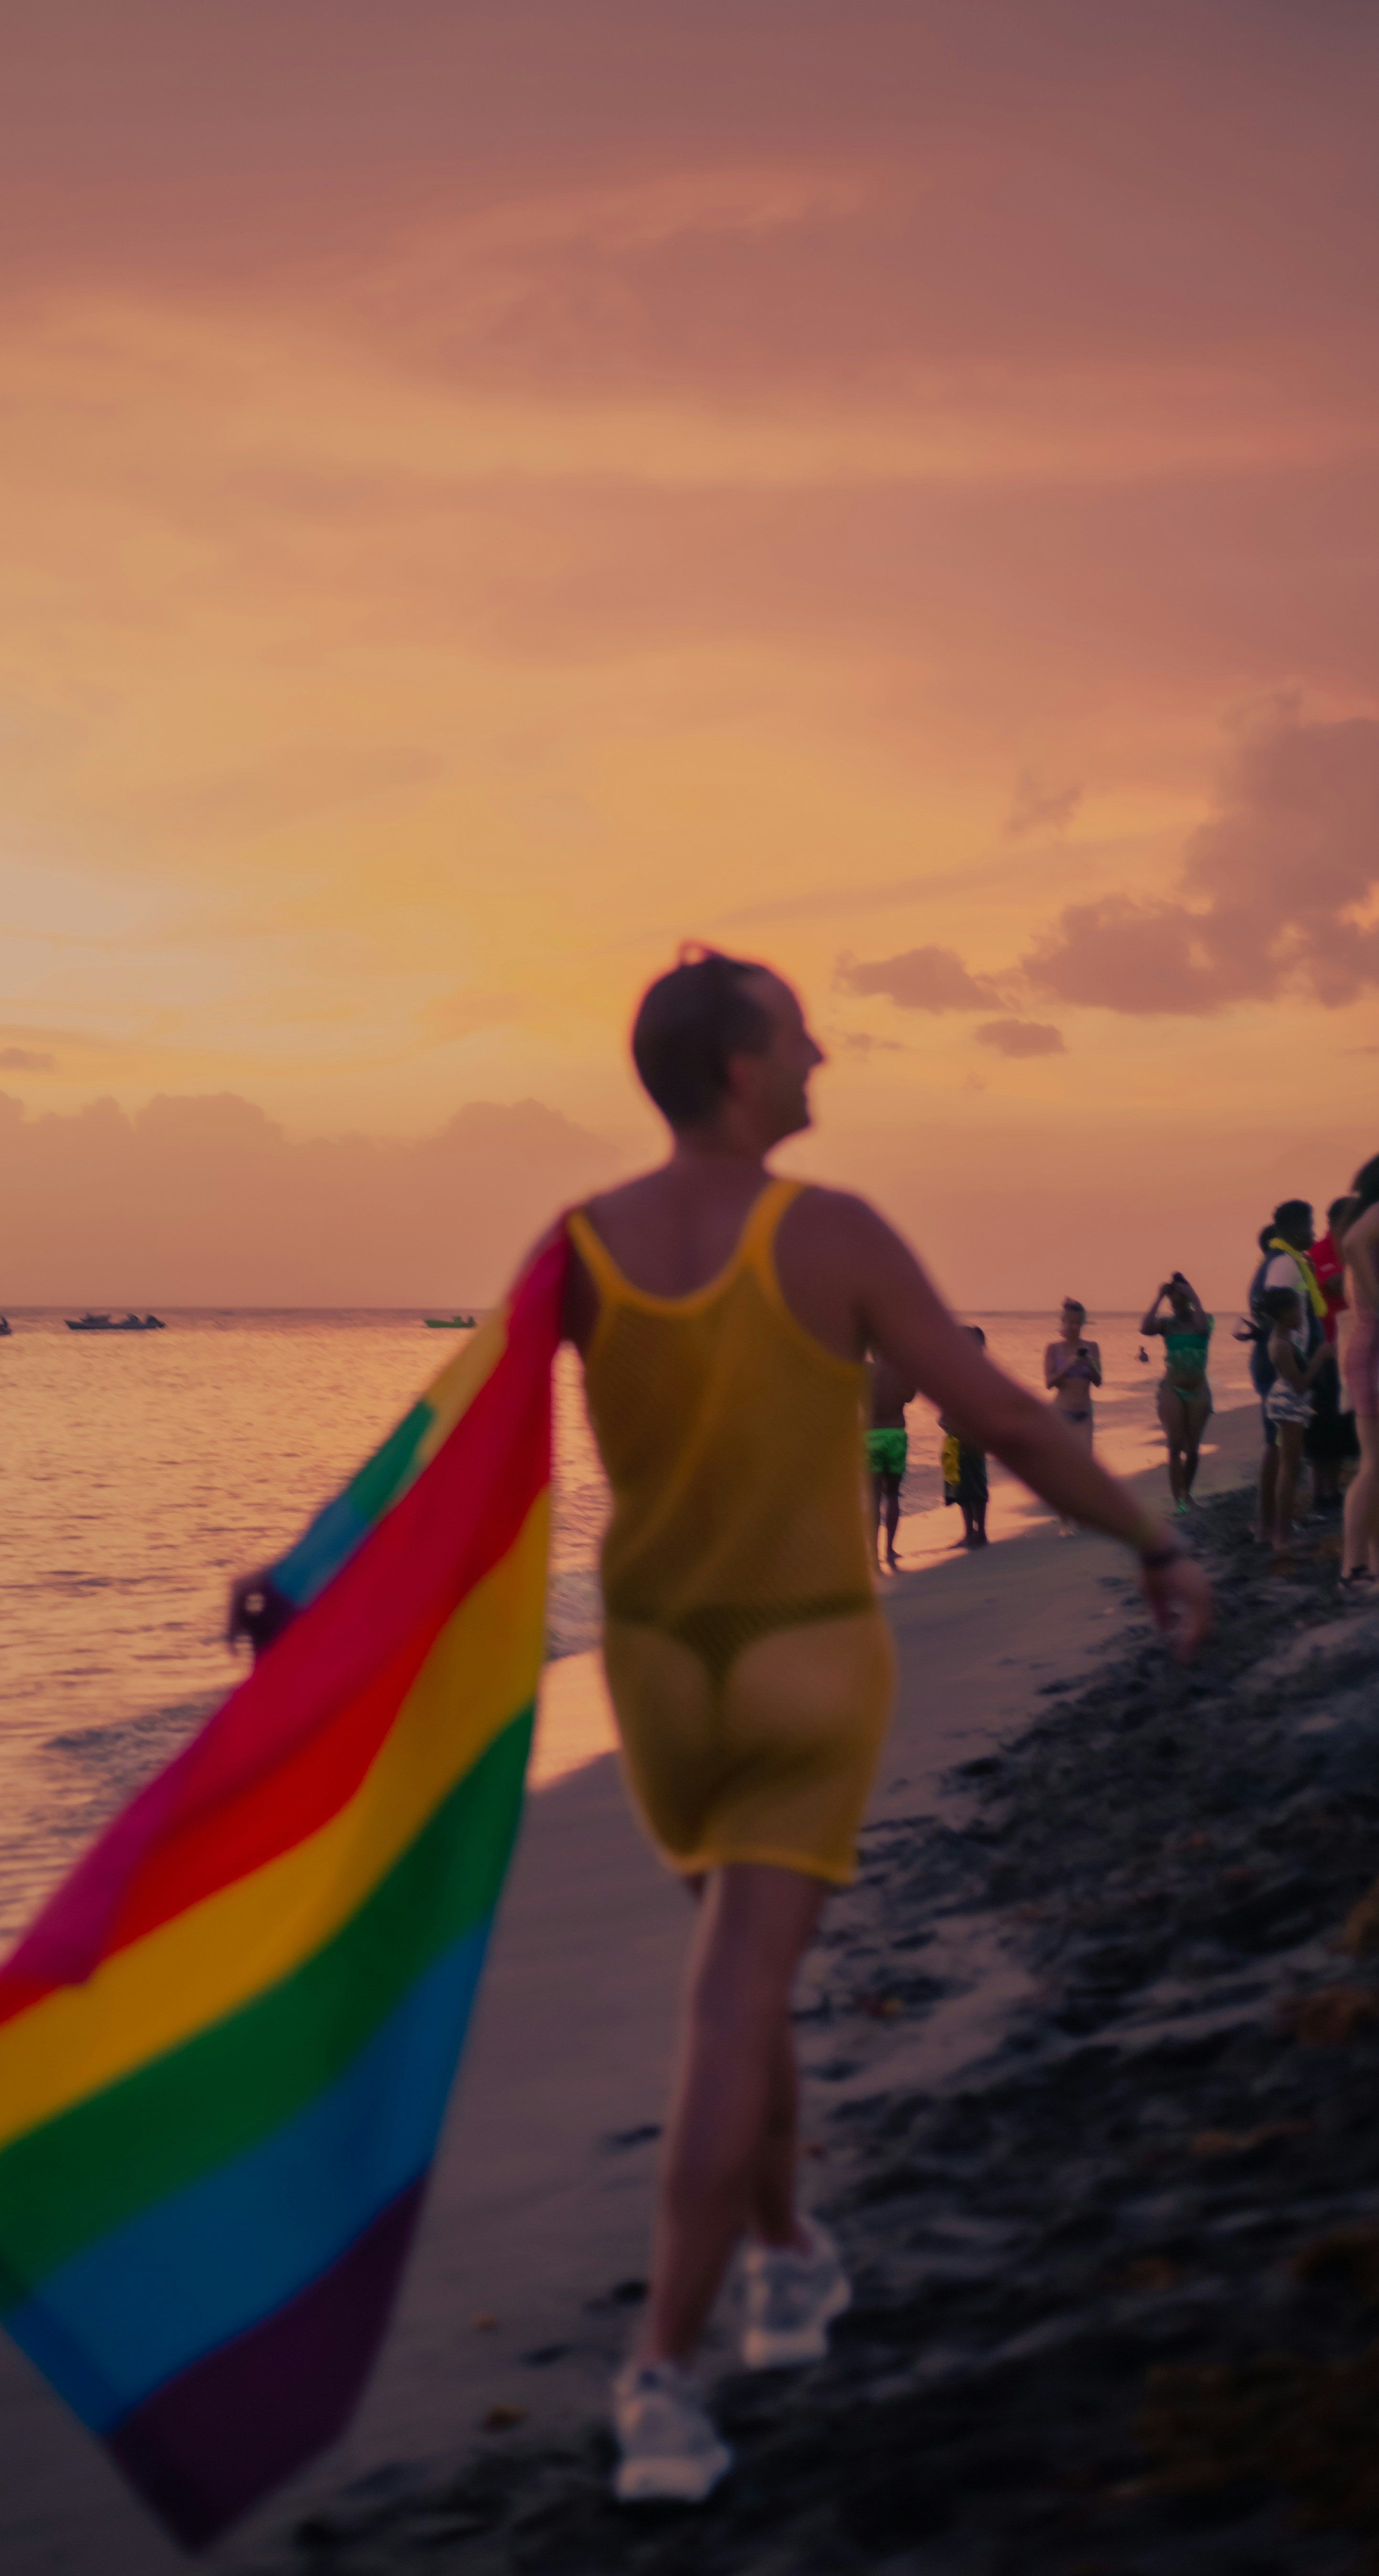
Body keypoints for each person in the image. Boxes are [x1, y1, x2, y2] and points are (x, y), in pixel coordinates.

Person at [550, 947, 1210, 2504]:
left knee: (741, 1967)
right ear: (734, 1067)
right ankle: (658, 2372)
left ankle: (785, 2258)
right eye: (796, 1038)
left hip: (650, 1661)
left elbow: (454, 1439)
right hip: (799, 1652)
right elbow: (999, 1413)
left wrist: (310, 1578)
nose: (820, 1059)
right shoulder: (825, 1231)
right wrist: (1153, 1541)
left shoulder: (576, 1244)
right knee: (731, 1992)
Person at [1238, 1201, 1326, 1544]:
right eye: (1309, 1226)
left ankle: (1269, 1525)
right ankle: (1272, 1527)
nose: (1313, 1233)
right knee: (1279, 1451)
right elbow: (1273, 1308)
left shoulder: (1282, 1260)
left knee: (1277, 1448)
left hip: (1280, 1362)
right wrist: (1306, 1355)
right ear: (1292, 1229)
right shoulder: (1285, 1265)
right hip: (1281, 1369)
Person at [1261, 1287, 1335, 1554]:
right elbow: (1300, 1385)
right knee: (1289, 1470)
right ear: (1283, 1313)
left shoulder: (1283, 1338)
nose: (1301, 1314)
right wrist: (1321, 1356)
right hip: (1289, 1405)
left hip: (1290, 1404)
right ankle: (1283, 1537)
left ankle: (1286, 1529)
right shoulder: (1281, 1345)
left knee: (1291, 1468)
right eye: (1296, 1309)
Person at [1140, 1273, 1214, 1511]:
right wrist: (1159, 1296)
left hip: (1199, 1391)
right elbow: (1145, 1328)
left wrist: (1194, 1295)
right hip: (1172, 1389)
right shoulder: (1167, 1324)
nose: (1176, 1304)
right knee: (1174, 1446)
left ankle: (1187, 1493)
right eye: (1173, 1300)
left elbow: (1203, 1329)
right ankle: (1178, 1502)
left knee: (1192, 1450)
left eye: (1180, 1298)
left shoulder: (1205, 1319)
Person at [1339, 1156, 1379, 1587]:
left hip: (1367, 1348)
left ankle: (1371, 1565)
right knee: (1374, 1467)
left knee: (1376, 1466)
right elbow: (1352, 1244)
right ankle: (1354, 1568)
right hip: (1373, 1351)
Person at [1307, 1197, 1359, 1511]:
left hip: (1354, 1351)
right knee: (1323, 1427)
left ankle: (1335, 1493)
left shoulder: (1356, 1249)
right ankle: (1320, 1495)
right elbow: (1336, 1284)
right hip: (1326, 1351)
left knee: (1345, 1428)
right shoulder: (1320, 1253)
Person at [1044, 1299, 1101, 1534]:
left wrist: (1089, 1364)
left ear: (1083, 1323)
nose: (1075, 1326)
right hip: (1061, 1413)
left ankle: (1083, 1515)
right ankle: (1065, 1520)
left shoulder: (1092, 1347)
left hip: (1084, 1412)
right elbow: (1049, 1383)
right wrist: (1069, 1365)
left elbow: (1099, 1381)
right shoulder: (1054, 1349)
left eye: (1079, 1322)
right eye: (1070, 1321)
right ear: (1063, 1322)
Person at [939, 1327, 990, 1547]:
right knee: (960, 1486)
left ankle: (980, 1532)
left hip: (973, 1437)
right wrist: (944, 1419)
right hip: (956, 1436)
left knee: (975, 1486)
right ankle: (970, 1532)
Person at [867, 1354, 916, 1570]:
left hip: (871, 1436)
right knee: (893, 1495)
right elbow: (910, 1396)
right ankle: (889, 1550)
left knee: (874, 1497)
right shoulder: (900, 1371)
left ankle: (873, 1554)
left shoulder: (864, 1371)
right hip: (896, 1434)